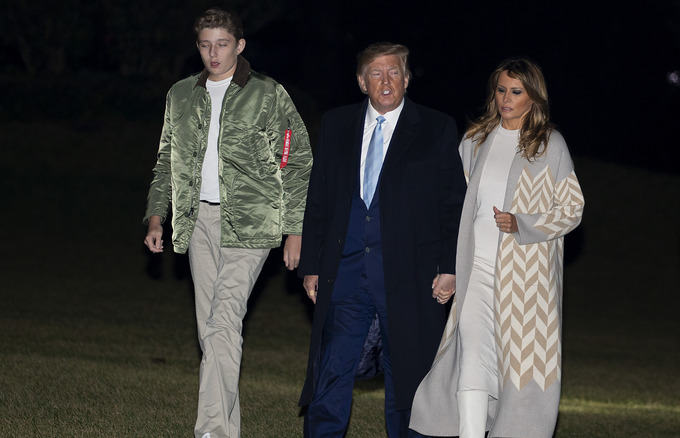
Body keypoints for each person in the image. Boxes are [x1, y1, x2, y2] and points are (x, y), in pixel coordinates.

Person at [142, 8, 312, 438]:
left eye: (221, 44)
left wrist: (296, 229)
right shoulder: (180, 94)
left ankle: (211, 432)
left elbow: (296, 163)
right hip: (196, 220)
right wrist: (156, 216)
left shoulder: (268, 94)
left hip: (251, 223)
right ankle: (227, 428)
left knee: (222, 321)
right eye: (204, 44)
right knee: (213, 330)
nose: (212, 54)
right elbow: (167, 159)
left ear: (239, 45)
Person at [297, 42, 466, 437]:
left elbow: (452, 205)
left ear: (406, 79)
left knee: (408, 381)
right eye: (376, 73)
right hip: (346, 273)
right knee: (331, 374)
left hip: (408, 278)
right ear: (361, 82)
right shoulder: (337, 124)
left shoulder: (436, 128)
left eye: (394, 72)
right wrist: (311, 266)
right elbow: (318, 198)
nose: (385, 80)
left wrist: (450, 268)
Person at [410, 57, 584, 438]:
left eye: (516, 92)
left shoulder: (549, 144)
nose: (507, 98)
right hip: (477, 271)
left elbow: (572, 209)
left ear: (533, 97)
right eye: (501, 90)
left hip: (527, 281)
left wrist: (524, 223)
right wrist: (449, 268)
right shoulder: (475, 141)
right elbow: (454, 209)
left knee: (519, 368)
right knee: (471, 356)